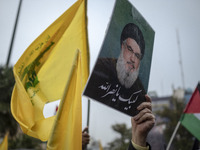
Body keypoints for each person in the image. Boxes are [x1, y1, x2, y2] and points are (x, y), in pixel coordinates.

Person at [84, 23, 147, 117]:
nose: (133, 59)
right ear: (122, 46)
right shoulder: (99, 68)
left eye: (137, 56)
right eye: (130, 49)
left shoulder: (139, 92)